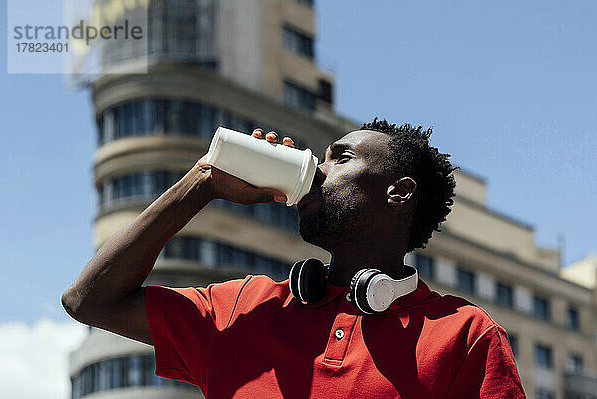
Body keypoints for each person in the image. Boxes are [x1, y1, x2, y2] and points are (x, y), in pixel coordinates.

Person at [62, 118, 526, 398]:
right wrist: (202, 182)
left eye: (340, 158)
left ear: (398, 194)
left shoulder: (465, 336)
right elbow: (89, 301)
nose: (317, 170)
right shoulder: (244, 308)